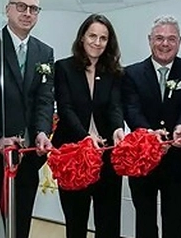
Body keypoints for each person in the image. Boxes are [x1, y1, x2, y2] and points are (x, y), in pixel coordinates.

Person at [0, 0, 55, 238]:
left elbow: (44, 100)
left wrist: (42, 132)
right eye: (21, 6)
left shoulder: (44, 52)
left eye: (33, 9)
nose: (27, 13)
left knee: (20, 223)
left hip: (27, 153)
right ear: (7, 9)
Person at [121, 15, 181, 238]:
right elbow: (131, 109)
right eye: (159, 38)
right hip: (142, 159)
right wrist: (148, 134)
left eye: (171, 39)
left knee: (175, 221)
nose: (165, 44)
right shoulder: (131, 73)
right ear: (150, 40)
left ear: (179, 41)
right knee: (144, 221)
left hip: (177, 161)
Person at [52, 14, 126, 238]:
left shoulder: (114, 71)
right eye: (92, 35)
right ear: (82, 37)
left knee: (109, 222)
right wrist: (85, 135)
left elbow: (114, 107)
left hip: (106, 154)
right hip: (73, 154)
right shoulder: (64, 68)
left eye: (103, 38)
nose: (97, 42)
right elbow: (65, 108)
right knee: (76, 221)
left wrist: (117, 129)